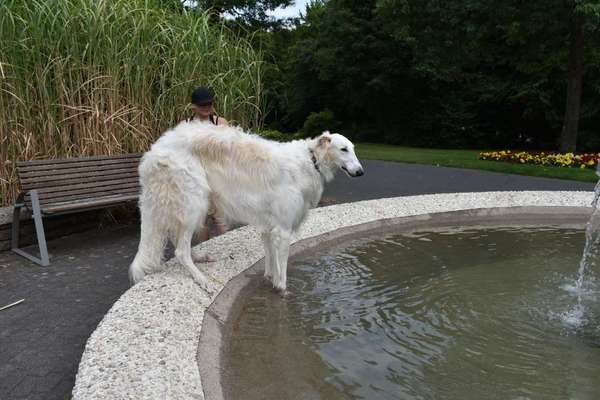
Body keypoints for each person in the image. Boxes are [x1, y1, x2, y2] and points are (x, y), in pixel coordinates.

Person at [188, 86, 229, 242]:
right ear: (194, 106)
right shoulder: (185, 125)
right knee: (201, 220)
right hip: (196, 179)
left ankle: (229, 253)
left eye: (209, 104)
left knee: (221, 218)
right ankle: (204, 252)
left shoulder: (221, 123)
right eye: (202, 105)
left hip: (218, 177)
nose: (207, 108)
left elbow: (229, 148)